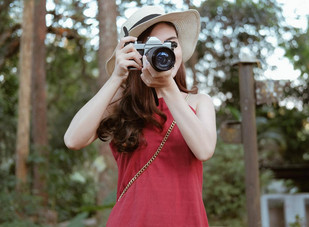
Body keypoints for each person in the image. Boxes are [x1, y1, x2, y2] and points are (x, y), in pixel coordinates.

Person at [64, 5, 216, 227]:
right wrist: (116, 77)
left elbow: (204, 150)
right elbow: (72, 139)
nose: (166, 51)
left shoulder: (199, 102)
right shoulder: (122, 105)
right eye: (154, 45)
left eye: (172, 43)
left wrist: (167, 89)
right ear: (137, 51)